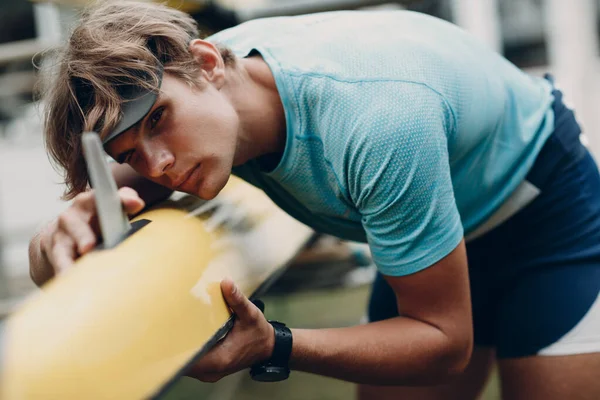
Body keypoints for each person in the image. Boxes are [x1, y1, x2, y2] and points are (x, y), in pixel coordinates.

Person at [28, 1, 600, 399]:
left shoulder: (377, 123)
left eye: (159, 121)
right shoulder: (199, 107)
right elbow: (124, 188)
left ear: (206, 64)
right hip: (429, 228)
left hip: (540, 219)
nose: (158, 167)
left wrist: (273, 344)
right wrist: (52, 242)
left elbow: (443, 342)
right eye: (129, 153)